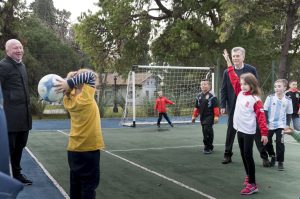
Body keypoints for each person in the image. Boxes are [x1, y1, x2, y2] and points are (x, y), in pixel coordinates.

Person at [223, 49, 268, 195]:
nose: (242, 86)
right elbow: (232, 77)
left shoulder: (255, 100)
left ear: (252, 85)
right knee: (243, 154)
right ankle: (248, 175)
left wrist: (265, 133)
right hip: (239, 130)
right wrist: (229, 62)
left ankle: (253, 184)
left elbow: (261, 118)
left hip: (249, 131)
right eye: (241, 84)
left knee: (248, 155)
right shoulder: (240, 92)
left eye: (245, 85)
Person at [55, 69, 105, 199]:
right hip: (89, 148)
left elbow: (83, 79)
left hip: (73, 149)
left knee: (75, 184)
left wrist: (69, 83)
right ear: (83, 83)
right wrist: (70, 82)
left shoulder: (69, 100)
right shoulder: (85, 98)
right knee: (89, 186)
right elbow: (89, 76)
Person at [0, 39, 32, 185]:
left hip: (24, 116)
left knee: (20, 146)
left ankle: (17, 174)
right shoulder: (3, 66)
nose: (19, 50)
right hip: (9, 117)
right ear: (7, 51)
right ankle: (5, 177)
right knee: (9, 149)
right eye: (15, 48)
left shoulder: (22, 66)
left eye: (20, 47)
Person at [263, 79, 293, 171]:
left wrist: (287, 125)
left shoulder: (288, 100)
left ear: (285, 88)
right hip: (270, 124)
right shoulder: (270, 98)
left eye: (279, 86)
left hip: (281, 125)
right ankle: (272, 156)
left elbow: (289, 114)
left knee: (280, 143)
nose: (276, 88)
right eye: (275, 86)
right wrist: (266, 123)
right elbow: (265, 110)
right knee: (266, 141)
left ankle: (280, 162)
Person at [192, 79, 219, 154]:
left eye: (205, 84)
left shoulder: (212, 96)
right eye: (202, 84)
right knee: (205, 132)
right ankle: (210, 146)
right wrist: (194, 116)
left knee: (207, 130)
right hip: (202, 117)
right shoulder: (198, 96)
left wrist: (216, 116)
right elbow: (196, 107)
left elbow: (216, 107)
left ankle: (207, 147)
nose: (203, 85)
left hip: (210, 116)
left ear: (209, 86)